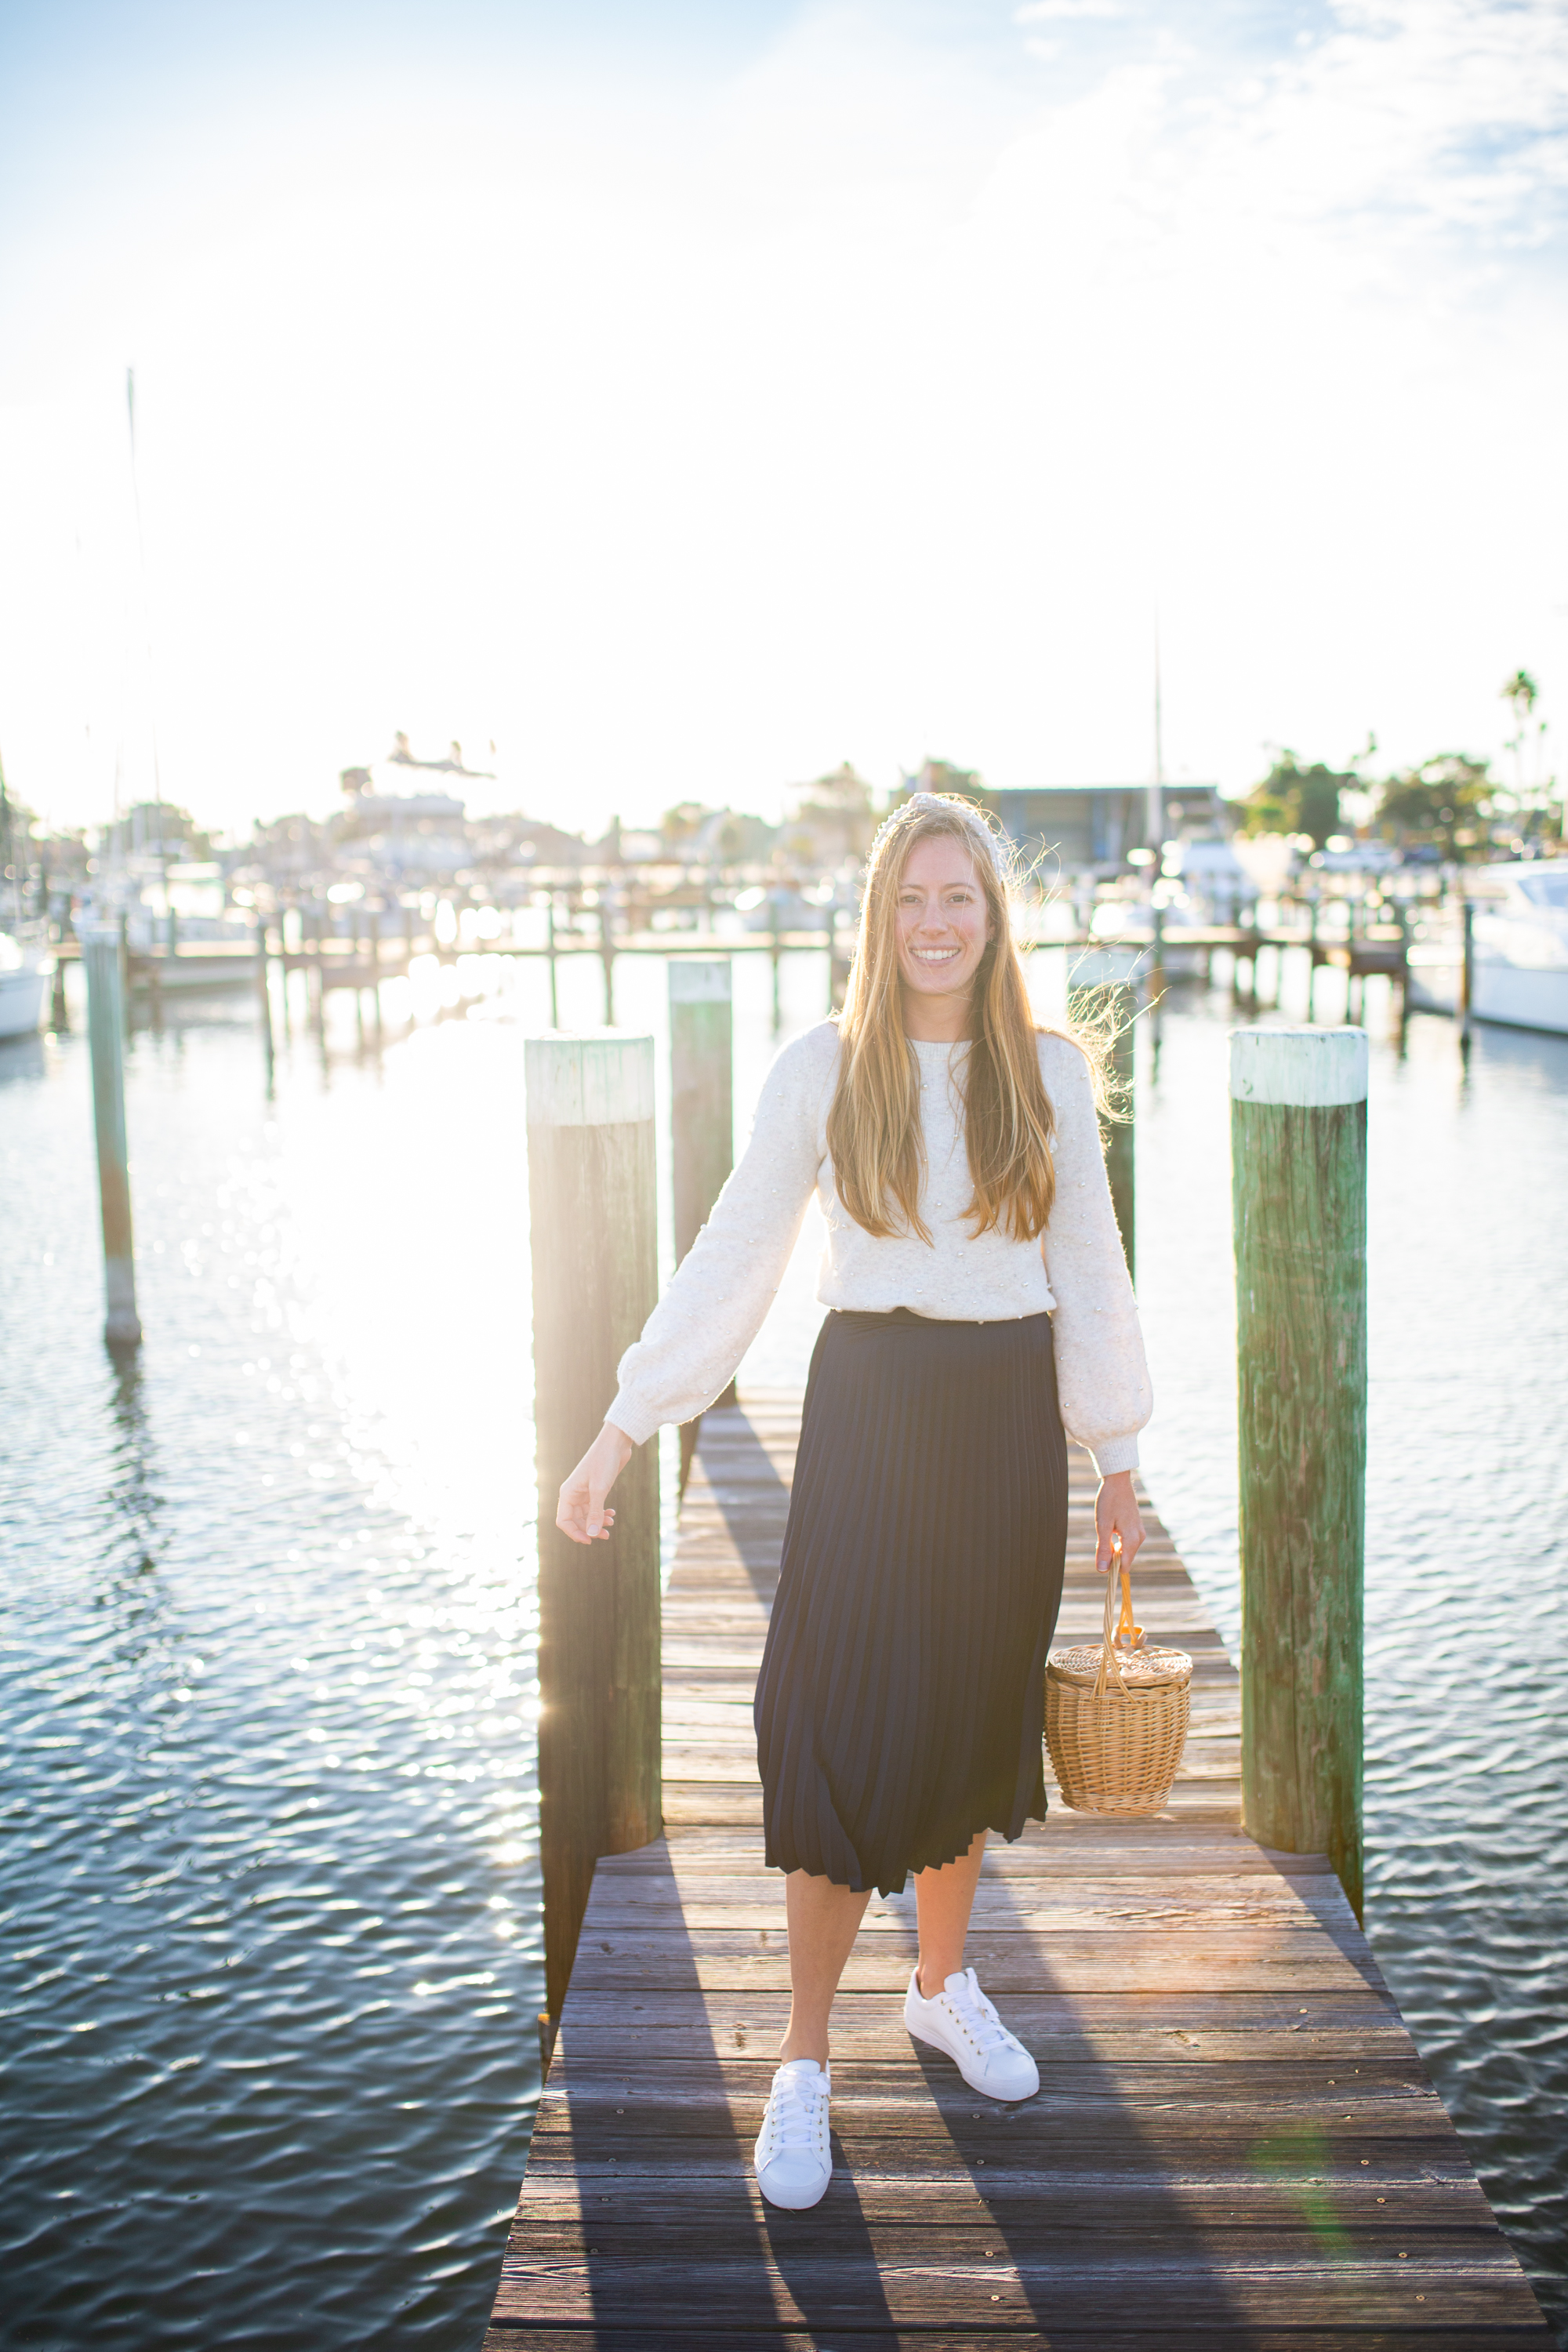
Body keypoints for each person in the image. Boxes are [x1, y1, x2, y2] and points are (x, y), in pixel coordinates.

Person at [556, 792, 1152, 2212]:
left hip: (1006, 1422)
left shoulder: (1051, 1074)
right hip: (873, 1413)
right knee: (835, 1727)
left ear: (995, 917)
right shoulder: (821, 1068)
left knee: (963, 1719)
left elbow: (1095, 1267)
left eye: (962, 898)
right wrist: (625, 1423)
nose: (937, 923)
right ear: (878, 919)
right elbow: (733, 1255)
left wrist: (1117, 1455)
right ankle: (806, 2061)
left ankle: (943, 1987)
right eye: (912, 900)